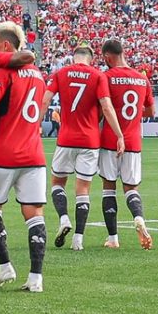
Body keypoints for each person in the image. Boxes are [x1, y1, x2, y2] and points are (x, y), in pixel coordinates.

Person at [0, 27, 51, 292]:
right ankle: (36, 278)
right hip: (34, 154)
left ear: (7, 47)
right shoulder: (38, 74)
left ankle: (5, 265)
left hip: (5, 152)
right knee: (34, 215)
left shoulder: (5, 72)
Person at [46, 44, 116, 252]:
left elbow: (45, 99)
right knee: (83, 190)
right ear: (91, 59)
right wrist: (119, 134)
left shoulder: (61, 73)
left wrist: (33, 125)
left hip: (66, 138)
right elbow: (106, 106)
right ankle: (78, 239)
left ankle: (64, 218)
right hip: (90, 140)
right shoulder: (98, 75)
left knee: (57, 183)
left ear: (73, 57)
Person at [100, 39, 154, 248]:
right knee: (131, 188)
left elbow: (102, 108)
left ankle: (113, 238)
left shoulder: (106, 77)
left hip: (110, 140)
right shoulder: (142, 78)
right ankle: (138, 217)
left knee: (108, 188)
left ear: (107, 56)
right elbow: (150, 111)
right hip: (133, 141)